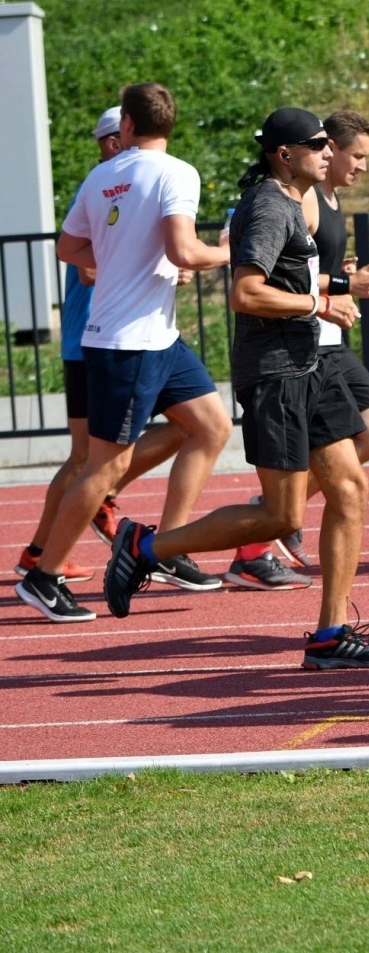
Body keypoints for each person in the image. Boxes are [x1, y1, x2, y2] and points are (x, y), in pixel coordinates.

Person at [102, 107, 369, 671]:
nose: (330, 153)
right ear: (285, 154)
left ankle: (329, 635)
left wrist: (332, 288)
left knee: (351, 490)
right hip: (277, 375)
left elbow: (291, 277)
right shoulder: (268, 204)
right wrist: (321, 303)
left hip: (313, 366)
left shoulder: (292, 200)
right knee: (281, 518)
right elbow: (246, 292)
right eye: (318, 145)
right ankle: (145, 547)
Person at [17, 84, 234, 623]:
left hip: (157, 336)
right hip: (126, 342)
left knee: (210, 426)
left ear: (128, 127)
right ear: (169, 125)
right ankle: (43, 576)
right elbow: (183, 250)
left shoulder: (102, 176)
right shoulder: (177, 172)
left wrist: (120, 259)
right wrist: (231, 251)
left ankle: (166, 548)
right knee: (101, 466)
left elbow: (69, 248)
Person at [13, 106, 187, 589]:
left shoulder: (127, 183)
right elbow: (87, 266)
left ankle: (53, 542)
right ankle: (44, 555)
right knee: (86, 460)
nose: (118, 145)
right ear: (114, 140)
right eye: (112, 138)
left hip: (124, 336)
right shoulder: (106, 183)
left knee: (186, 428)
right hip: (94, 340)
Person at [227, 108, 369, 589]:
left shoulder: (309, 198)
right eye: (352, 154)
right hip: (298, 350)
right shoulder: (294, 201)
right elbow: (259, 285)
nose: (359, 164)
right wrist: (337, 288)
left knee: (367, 455)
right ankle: (254, 535)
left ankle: (329, 625)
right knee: (292, 505)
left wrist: (336, 287)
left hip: (316, 343)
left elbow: (297, 270)